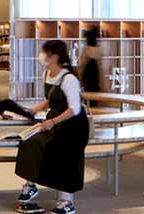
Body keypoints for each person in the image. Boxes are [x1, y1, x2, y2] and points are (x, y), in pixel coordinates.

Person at [15, 40, 90, 214]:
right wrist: (34, 110)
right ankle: (30, 185)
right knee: (29, 143)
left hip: (72, 127)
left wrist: (52, 122)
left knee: (60, 152)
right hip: (54, 122)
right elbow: (50, 99)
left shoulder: (68, 78)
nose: (42, 56)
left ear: (54, 57)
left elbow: (75, 109)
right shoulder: (47, 74)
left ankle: (66, 201)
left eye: (45, 53)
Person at [78, 28, 106, 94]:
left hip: (88, 79)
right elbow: (101, 67)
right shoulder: (99, 50)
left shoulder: (86, 50)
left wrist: (80, 77)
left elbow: (82, 64)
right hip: (97, 78)